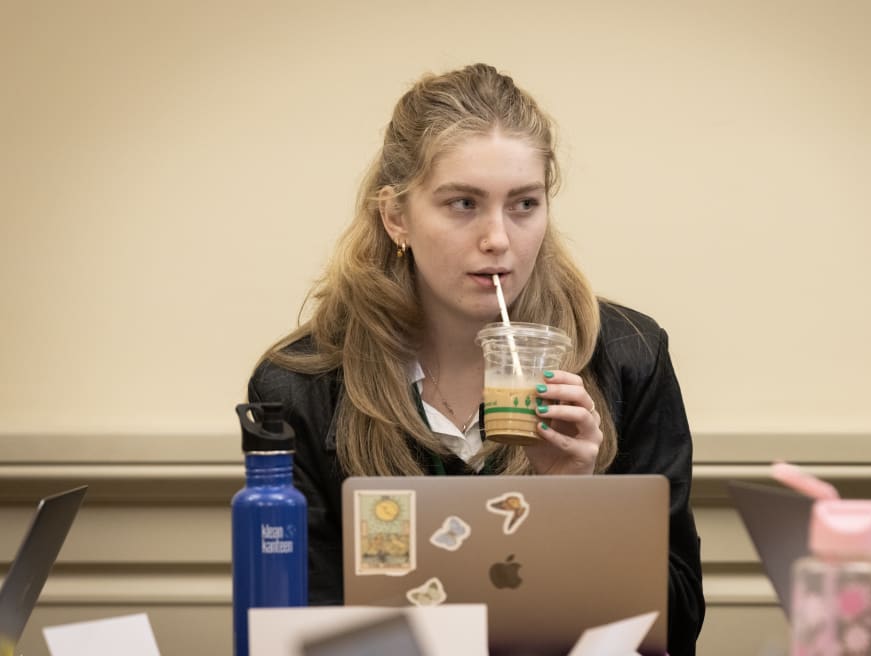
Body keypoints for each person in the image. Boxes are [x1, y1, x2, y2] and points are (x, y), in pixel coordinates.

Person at [247, 62, 705, 654]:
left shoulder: (626, 356)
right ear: (396, 217)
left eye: (523, 204)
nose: (498, 238)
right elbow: (294, 625)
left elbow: (681, 624)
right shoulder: (301, 383)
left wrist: (578, 501)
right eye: (463, 203)